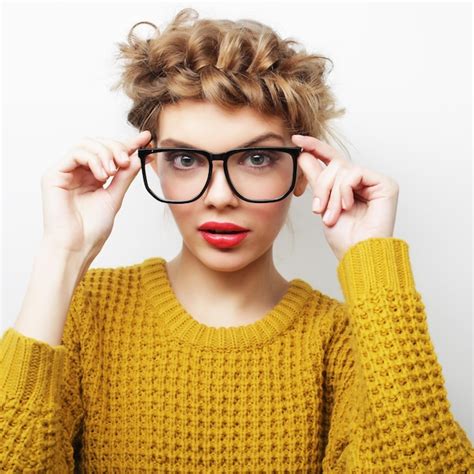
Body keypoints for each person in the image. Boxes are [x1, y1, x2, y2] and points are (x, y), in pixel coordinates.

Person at [0, 7, 473, 472]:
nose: (221, 197)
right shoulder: (84, 312)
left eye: (258, 158)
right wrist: (63, 254)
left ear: (305, 169)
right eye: (186, 161)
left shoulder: (345, 340)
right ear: (152, 165)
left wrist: (372, 261)